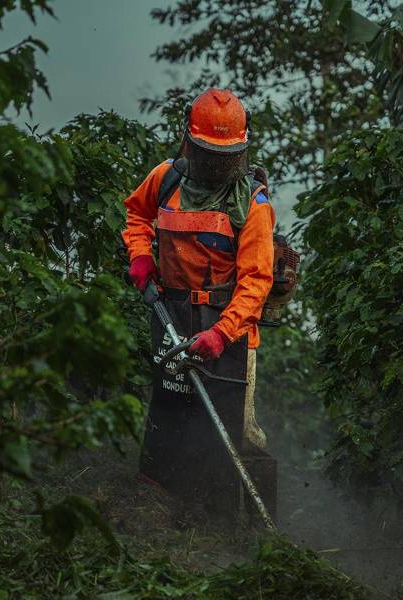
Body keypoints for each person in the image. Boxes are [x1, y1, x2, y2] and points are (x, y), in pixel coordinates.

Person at [122, 88, 276, 516]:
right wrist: (140, 255)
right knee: (171, 404)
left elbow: (256, 281)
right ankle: (156, 504)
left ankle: (228, 522)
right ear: (190, 142)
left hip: (227, 325)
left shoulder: (253, 204)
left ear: (241, 152)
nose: (214, 163)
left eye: (224, 155)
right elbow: (137, 215)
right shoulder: (166, 178)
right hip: (170, 309)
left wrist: (222, 333)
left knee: (229, 428)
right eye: (209, 152)